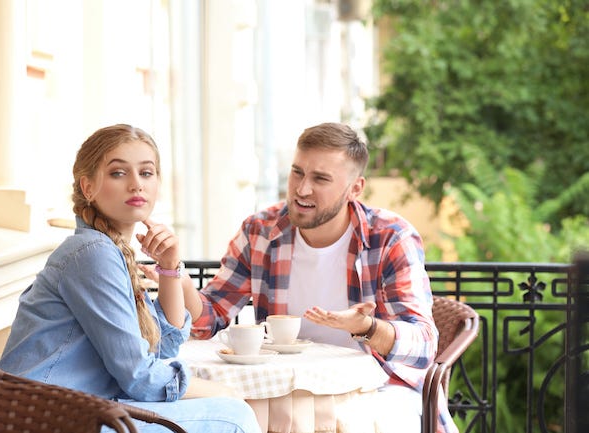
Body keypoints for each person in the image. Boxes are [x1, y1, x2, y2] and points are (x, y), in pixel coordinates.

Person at [171, 122, 455, 433]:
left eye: (320, 178)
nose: (302, 189)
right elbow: (210, 317)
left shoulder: (390, 237)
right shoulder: (261, 231)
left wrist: (366, 328)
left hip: (378, 386)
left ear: (355, 188)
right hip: (283, 390)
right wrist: (175, 273)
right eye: (297, 173)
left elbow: (425, 344)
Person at [0, 124, 261, 433]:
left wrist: (169, 267)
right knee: (234, 417)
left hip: (80, 408)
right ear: (88, 188)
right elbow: (139, 376)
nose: (136, 185)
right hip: (46, 418)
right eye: (118, 173)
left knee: (230, 409)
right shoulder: (93, 253)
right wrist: (224, 392)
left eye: (147, 173)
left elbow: (162, 347)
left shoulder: (111, 251)